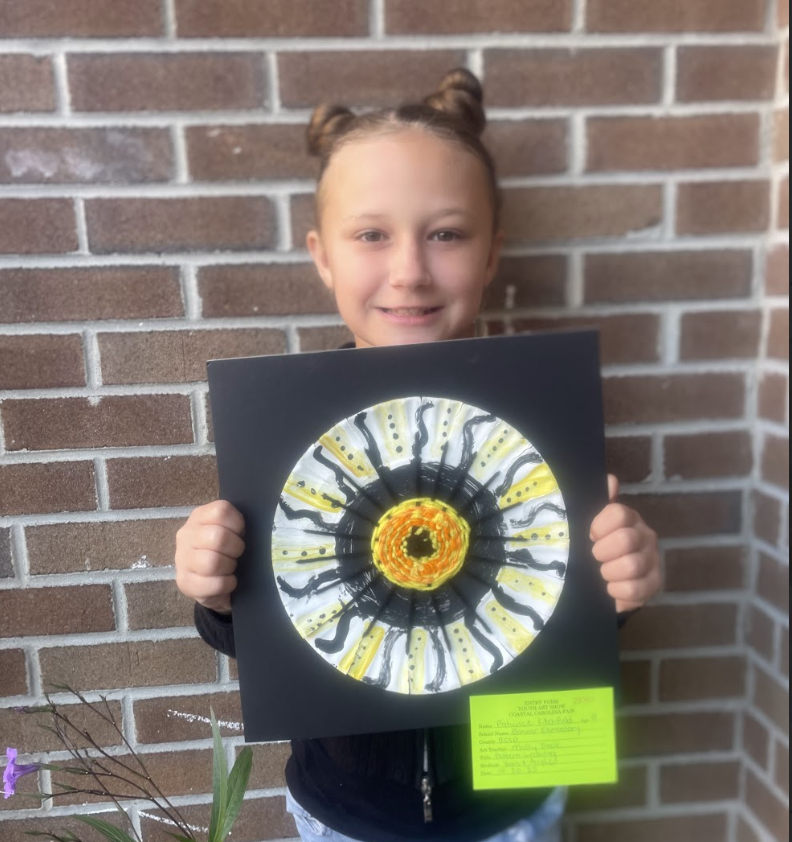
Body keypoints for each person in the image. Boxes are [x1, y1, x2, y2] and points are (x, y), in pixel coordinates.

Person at [175, 68, 661, 842]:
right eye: (371, 234)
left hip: (514, 798)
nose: (408, 270)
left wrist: (619, 585)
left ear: (492, 252)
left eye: (446, 233)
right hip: (345, 813)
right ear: (322, 255)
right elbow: (264, 634)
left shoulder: (539, 426)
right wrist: (217, 589)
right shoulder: (290, 438)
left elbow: (560, 624)